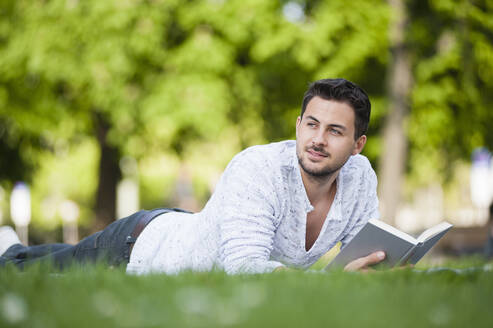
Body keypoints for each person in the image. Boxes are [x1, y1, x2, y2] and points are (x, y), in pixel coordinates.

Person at [0, 78, 386, 274]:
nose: (318, 140)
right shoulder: (258, 169)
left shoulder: (361, 178)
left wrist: (377, 268)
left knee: (44, 258)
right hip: (140, 248)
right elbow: (244, 269)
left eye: (335, 131)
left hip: (194, 229)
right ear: (298, 125)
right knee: (29, 268)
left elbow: (362, 252)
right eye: (312, 125)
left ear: (358, 144)